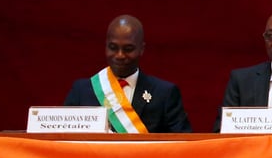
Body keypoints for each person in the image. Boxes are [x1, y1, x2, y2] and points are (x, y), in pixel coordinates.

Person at [64, 14, 192, 133]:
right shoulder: (82, 91)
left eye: (128, 49)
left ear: (141, 49)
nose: (119, 55)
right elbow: (63, 138)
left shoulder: (165, 93)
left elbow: (183, 144)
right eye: (113, 48)